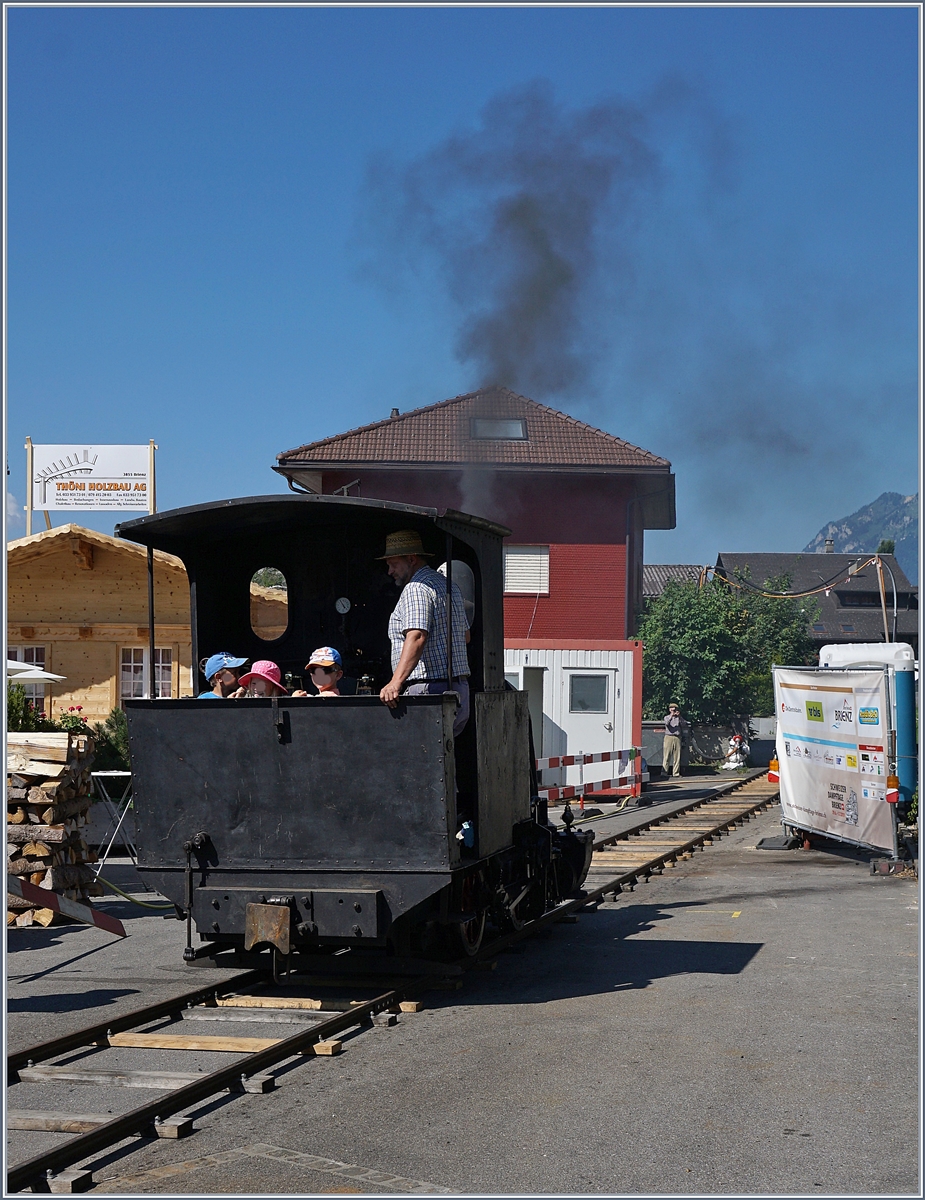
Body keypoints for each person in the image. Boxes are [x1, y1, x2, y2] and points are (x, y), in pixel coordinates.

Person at [377, 529, 470, 737]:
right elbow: (465, 636)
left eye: (394, 564)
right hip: (459, 689)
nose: (390, 571)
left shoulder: (416, 588)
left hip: (429, 692)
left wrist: (395, 683)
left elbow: (417, 636)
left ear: (411, 559)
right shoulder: (450, 586)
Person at [663, 702, 688, 778]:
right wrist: (671, 716)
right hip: (669, 737)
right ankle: (664, 773)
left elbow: (684, 724)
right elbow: (666, 723)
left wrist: (679, 716)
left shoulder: (679, 718)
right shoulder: (667, 717)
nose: (673, 711)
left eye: (675, 709)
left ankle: (676, 773)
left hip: (677, 737)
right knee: (667, 755)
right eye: (672, 709)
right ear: (669, 709)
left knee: (677, 756)